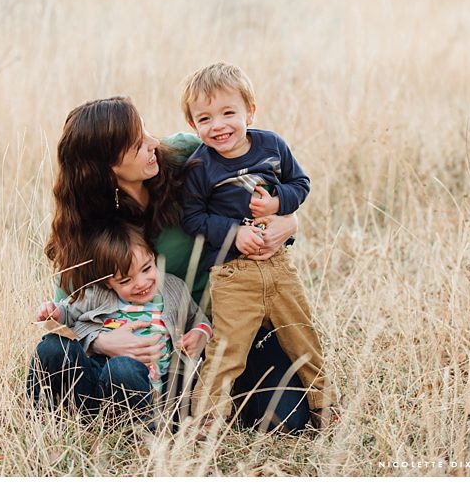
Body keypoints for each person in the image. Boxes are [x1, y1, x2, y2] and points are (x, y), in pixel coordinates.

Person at [28, 96, 313, 431]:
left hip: (229, 325)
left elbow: (266, 186)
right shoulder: (87, 228)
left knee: (285, 419)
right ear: (108, 166)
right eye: (138, 144)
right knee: (62, 355)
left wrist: (289, 221)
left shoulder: (188, 156)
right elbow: (67, 312)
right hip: (151, 350)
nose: (153, 143)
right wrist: (103, 341)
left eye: (145, 131)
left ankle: (163, 404)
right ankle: (117, 406)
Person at [179, 62, 336, 429]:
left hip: (279, 265)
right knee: (227, 351)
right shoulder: (200, 166)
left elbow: (301, 183)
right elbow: (192, 218)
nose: (218, 126)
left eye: (228, 113)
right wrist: (233, 232)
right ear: (193, 125)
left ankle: (325, 407)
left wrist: (278, 203)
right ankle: (205, 421)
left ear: (250, 111)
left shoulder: (272, 145)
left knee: (303, 337)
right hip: (233, 275)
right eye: (205, 119)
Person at [32, 220, 211, 414]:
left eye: (147, 269)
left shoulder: (174, 289)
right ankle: (39, 412)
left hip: (153, 392)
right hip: (94, 389)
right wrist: (54, 313)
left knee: (124, 367)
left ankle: (139, 427)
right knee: (52, 346)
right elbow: (68, 313)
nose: (141, 283)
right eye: (125, 280)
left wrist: (200, 333)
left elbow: (198, 318)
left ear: (153, 257)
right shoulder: (98, 295)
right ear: (108, 283)